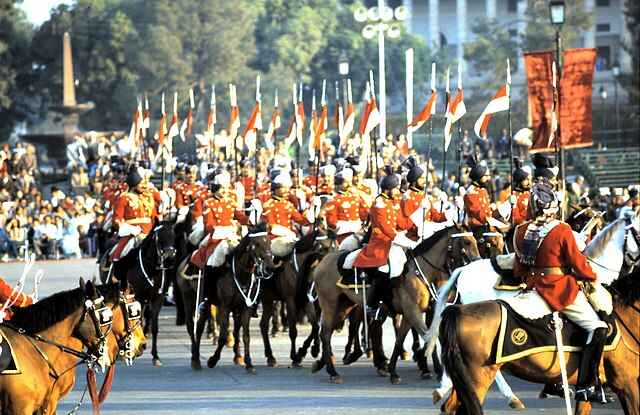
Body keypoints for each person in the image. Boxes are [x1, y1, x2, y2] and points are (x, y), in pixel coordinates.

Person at [513, 182, 609, 403]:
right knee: (598, 327)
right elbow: (578, 264)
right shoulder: (562, 229)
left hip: (531, 286)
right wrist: (592, 276)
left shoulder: (520, 230)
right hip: (558, 289)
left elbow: (519, 268)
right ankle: (585, 386)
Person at [352, 169, 413, 320]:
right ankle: (373, 305)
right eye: (396, 188)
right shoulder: (379, 204)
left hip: (393, 242)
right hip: (379, 243)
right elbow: (385, 227)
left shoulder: (393, 202)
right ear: (388, 189)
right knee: (384, 269)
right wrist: (398, 238)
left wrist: (416, 220)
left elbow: (402, 222)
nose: (398, 191)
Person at [262, 173, 311, 257]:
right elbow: (272, 226)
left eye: (286, 187)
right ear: (275, 189)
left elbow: (302, 221)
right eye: (283, 187)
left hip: (289, 237)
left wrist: (309, 208)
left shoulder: (288, 204)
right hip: (275, 238)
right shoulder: (268, 205)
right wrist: (289, 233)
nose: (286, 190)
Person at [323, 168, 368, 249]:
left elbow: (364, 213)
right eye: (346, 182)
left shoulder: (356, 197)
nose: (349, 184)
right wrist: (345, 227)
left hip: (358, 230)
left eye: (349, 182)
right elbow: (331, 220)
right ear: (339, 184)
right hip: (343, 233)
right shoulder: (334, 199)